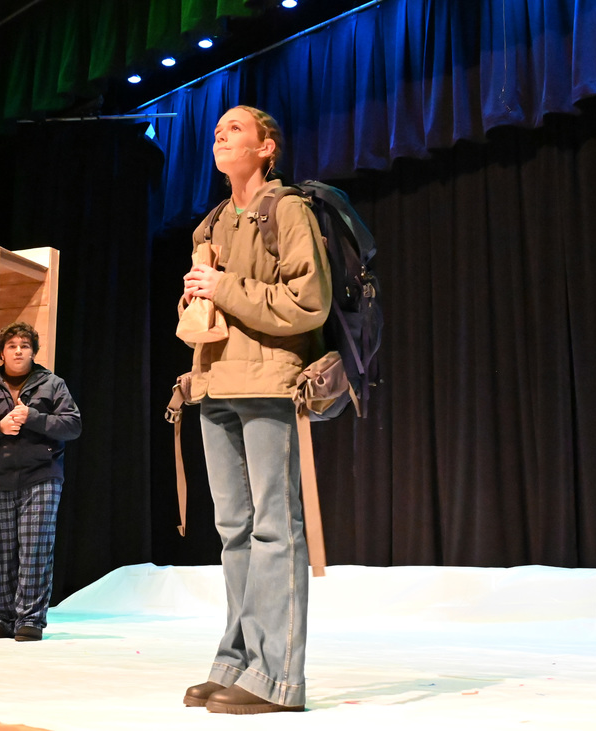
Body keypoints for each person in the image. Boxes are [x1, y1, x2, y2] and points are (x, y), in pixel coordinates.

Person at [178, 106, 332, 713]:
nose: (221, 133)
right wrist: (195, 300)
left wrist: (226, 290)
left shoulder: (287, 209)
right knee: (233, 530)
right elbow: (201, 321)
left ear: (267, 147)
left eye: (236, 127)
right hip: (213, 383)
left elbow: (308, 302)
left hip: (270, 384)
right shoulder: (210, 225)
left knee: (275, 528)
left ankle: (278, 679)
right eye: (217, 129)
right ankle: (236, 662)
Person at [0, 322, 81, 642]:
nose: (18, 351)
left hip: (41, 476)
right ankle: (4, 618)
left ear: (33, 352)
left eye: (25, 346)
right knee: (2, 551)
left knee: (35, 549)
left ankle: (31, 619)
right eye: (12, 346)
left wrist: (33, 418)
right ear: (1, 352)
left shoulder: (52, 384)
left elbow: (72, 426)